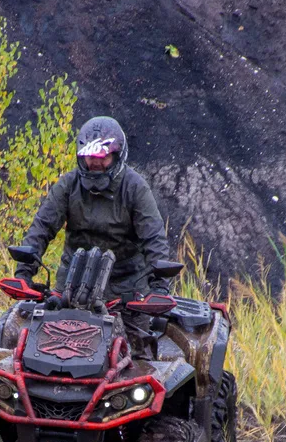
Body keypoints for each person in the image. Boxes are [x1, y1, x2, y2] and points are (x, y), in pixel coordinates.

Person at [14, 116, 172, 304]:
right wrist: (23, 273)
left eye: (102, 157)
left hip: (126, 291)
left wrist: (160, 286)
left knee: (142, 333)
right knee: (20, 326)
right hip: (70, 285)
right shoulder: (68, 184)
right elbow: (42, 227)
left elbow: (154, 238)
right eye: (90, 157)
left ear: (117, 156)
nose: (95, 163)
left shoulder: (135, 188)